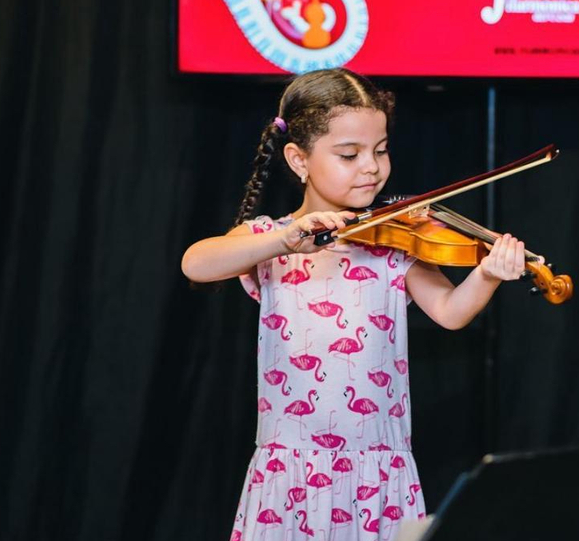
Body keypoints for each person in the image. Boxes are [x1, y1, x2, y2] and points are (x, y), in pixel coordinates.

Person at [181, 68, 533, 541]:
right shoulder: (272, 241)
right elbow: (196, 263)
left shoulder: (391, 243)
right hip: (292, 472)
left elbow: (451, 312)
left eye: (381, 150)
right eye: (349, 154)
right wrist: (284, 240)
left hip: (378, 471)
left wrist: (487, 273)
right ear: (298, 159)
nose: (372, 167)